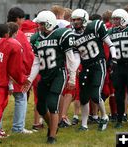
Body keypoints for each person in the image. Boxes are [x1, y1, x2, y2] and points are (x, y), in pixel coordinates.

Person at [22, 10, 79, 144]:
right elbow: (36, 61)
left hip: (58, 73)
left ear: (49, 23)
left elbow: (70, 58)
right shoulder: (37, 38)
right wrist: (30, 79)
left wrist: (72, 78)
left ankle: (52, 136)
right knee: (41, 107)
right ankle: (52, 126)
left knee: (53, 104)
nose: (39, 26)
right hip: (44, 74)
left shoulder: (61, 34)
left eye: (42, 24)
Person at [70, 9, 117, 131]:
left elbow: (110, 44)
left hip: (98, 64)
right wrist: (73, 70)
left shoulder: (95, 26)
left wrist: (114, 58)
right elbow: (76, 58)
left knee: (96, 94)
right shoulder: (72, 35)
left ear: (84, 19)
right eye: (74, 19)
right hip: (86, 67)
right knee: (84, 97)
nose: (75, 22)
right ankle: (84, 124)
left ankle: (104, 116)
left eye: (78, 19)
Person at [7, 7, 34, 134]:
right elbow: (28, 55)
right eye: (22, 18)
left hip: (1, 72)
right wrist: (28, 73)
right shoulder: (19, 33)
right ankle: (18, 128)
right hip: (17, 72)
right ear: (18, 19)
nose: (23, 21)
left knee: (0, 101)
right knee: (21, 98)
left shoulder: (0, 29)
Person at [108, 9, 128, 128]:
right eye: (114, 19)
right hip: (118, 66)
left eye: (117, 19)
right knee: (119, 95)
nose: (115, 21)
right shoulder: (111, 32)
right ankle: (119, 119)